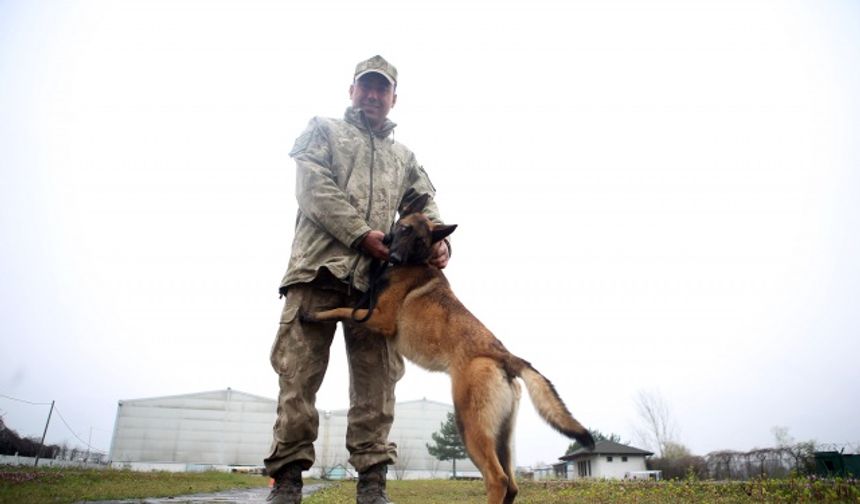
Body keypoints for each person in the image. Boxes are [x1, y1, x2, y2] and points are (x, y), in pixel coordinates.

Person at [265, 55, 450, 504]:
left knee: (378, 382)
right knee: (298, 376)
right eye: (365, 86)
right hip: (316, 272)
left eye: (381, 89)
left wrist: (441, 241)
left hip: (377, 285)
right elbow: (313, 187)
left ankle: (372, 483)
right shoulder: (323, 131)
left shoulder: (403, 157)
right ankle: (288, 480)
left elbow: (424, 201)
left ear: (393, 98)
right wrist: (360, 233)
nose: (372, 94)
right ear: (351, 91)